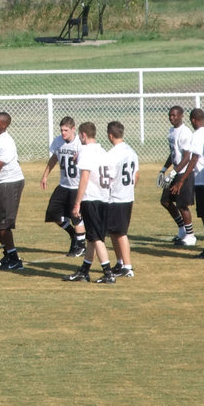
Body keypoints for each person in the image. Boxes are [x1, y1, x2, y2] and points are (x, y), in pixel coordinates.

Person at [65, 122, 115, 283]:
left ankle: (108, 273)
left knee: (97, 238)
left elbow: (84, 178)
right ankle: (84, 271)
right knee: (93, 237)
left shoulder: (86, 151)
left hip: (91, 198)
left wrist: (77, 203)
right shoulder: (103, 151)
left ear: (83, 135)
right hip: (104, 197)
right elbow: (112, 176)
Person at [173, 108, 204, 260]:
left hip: (203, 179)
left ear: (193, 120)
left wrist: (181, 180)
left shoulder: (197, 135)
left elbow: (194, 159)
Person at [40, 116, 86, 259]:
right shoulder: (58, 141)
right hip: (63, 185)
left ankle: (81, 246)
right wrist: (45, 175)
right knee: (53, 214)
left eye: (66, 130)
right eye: (61, 130)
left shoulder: (80, 144)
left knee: (76, 216)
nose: (63, 133)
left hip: (76, 186)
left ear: (73, 129)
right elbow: (54, 158)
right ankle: (73, 234)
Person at [0, 112, 26, 270]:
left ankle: (15, 259)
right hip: (1, 182)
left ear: (4, 125)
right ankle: (8, 253)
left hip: (10, 183)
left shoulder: (6, 142)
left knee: (2, 223)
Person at [104, 121, 139, 278]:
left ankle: (128, 266)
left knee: (120, 233)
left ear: (110, 135)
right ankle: (119, 262)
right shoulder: (131, 151)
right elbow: (136, 175)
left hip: (116, 197)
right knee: (113, 231)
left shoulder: (112, 154)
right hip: (127, 196)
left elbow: (108, 177)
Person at [160, 105, 197, 247]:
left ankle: (190, 236)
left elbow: (187, 157)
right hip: (175, 171)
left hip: (184, 173)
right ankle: (182, 229)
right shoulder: (171, 131)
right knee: (166, 201)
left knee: (182, 205)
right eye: (170, 115)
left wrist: (173, 174)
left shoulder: (185, 132)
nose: (172, 118)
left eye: (175, 115)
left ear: (181, 116)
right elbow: (174, 153)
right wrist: (164, 169)